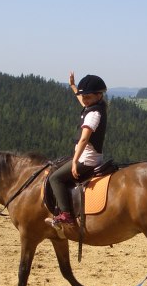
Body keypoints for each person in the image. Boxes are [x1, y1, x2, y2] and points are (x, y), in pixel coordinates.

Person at [46, 72, 108, 229]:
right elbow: (82, 100)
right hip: (87, 156)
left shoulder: (93, 115)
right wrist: (73, 86)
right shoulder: (94, 106)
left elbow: (84, 139)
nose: (84, 100)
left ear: (99, 95)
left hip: (86, 160)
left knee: (55, 178)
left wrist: (74, 161)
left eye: (88, 97)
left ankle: (66, 215)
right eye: (84, 97)